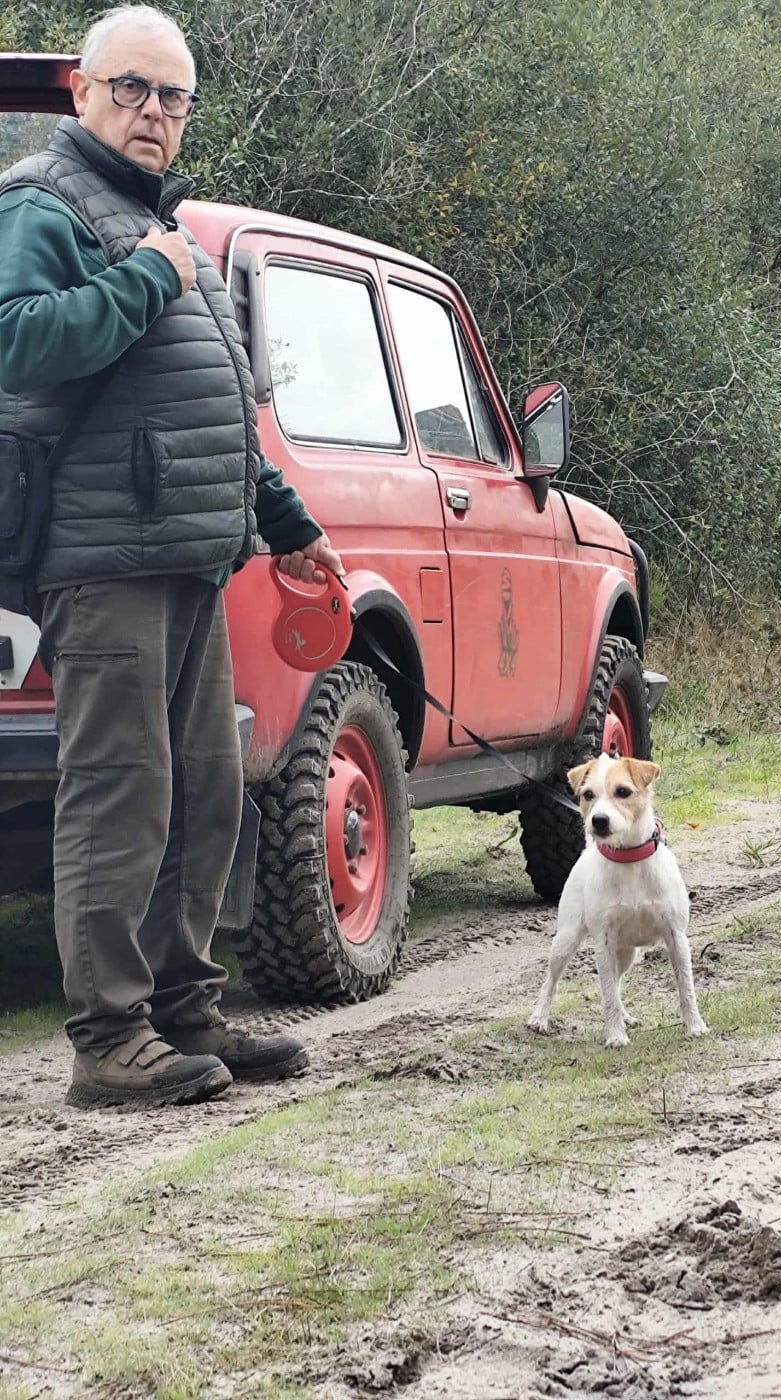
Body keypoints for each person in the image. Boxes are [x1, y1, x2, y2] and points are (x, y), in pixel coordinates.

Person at [0, 5, 344, 1109]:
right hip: (104, 559)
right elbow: (19, 340)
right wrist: (147, 276)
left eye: (173, 97)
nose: (154, 113)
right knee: (120, 794)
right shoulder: (42, 202)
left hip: (195, 553)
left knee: (207, 789)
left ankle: (183, 1010)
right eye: (134, 89)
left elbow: (216, 416)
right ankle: (109, 1038)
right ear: (82, 93)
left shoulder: (164, 223)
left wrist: (289, 523)